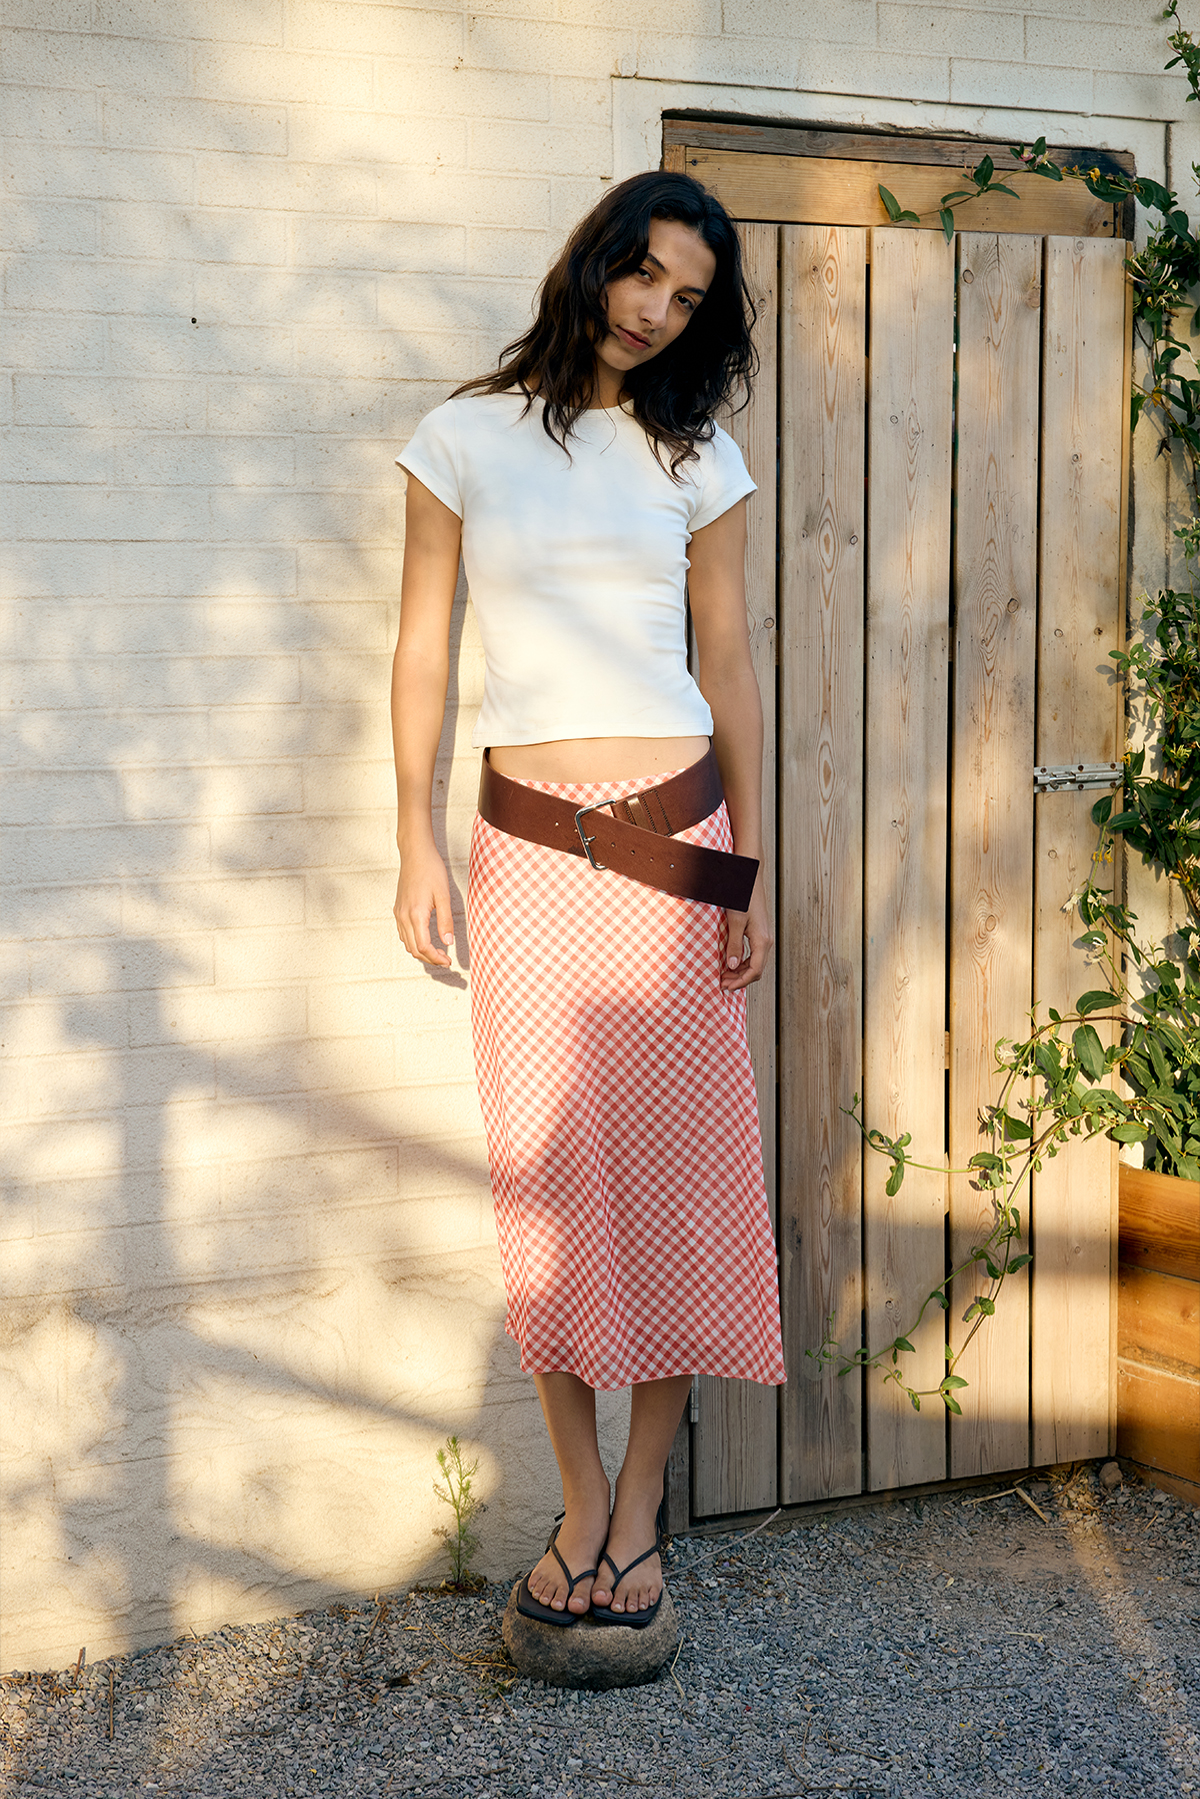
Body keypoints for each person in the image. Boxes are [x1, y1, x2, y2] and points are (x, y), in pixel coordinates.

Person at [391, 170, 786, 1629]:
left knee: (680, 1175)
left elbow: (728, 663)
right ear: (595, 261)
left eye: (688, 297)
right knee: (547, 1182)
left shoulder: (698, 456)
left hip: (678, 847)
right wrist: (414, 838)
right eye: (643, 274)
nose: (657, 311)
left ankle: (638, 1510)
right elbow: (422, 650)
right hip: (529, 853)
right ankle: (576, 1499)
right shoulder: (463, 439)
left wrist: (751, 870)